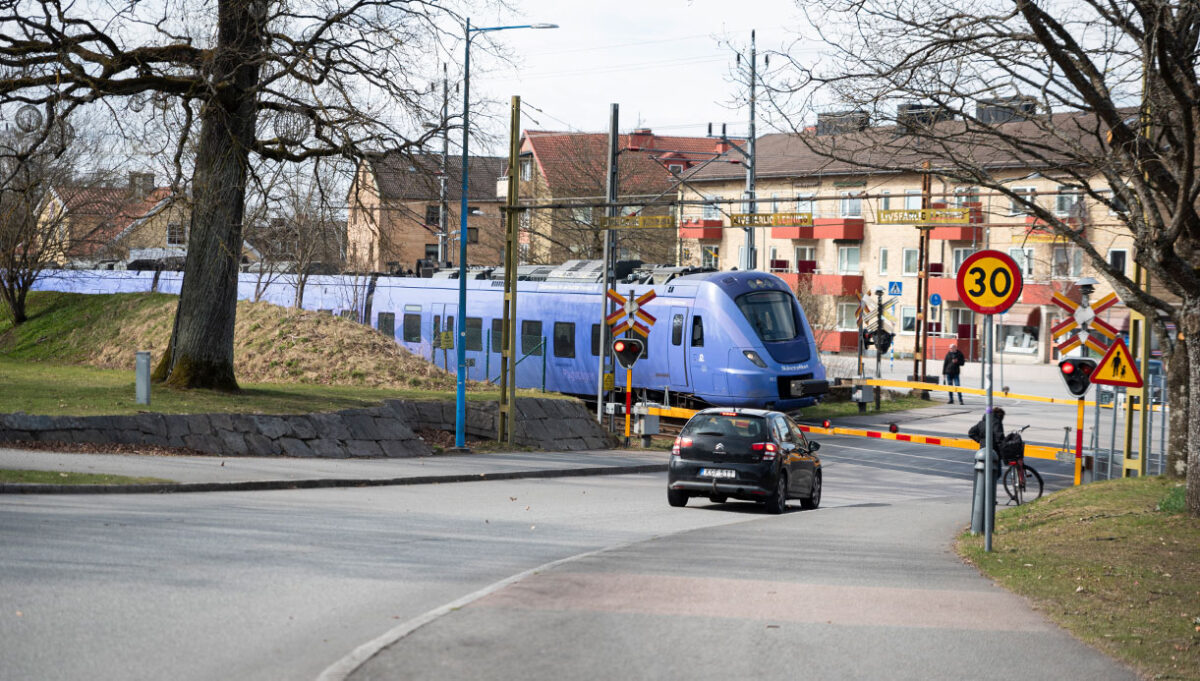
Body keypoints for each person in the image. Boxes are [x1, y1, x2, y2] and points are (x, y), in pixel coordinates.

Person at [969, 407, 1006, 477]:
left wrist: (980, 440)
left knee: (983, 474)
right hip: (994, 452)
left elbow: (971, 433)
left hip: (982, 452)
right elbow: (999, 438)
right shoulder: (997, 423)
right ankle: (990, 487)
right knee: (996, 474)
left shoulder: (981, 423)